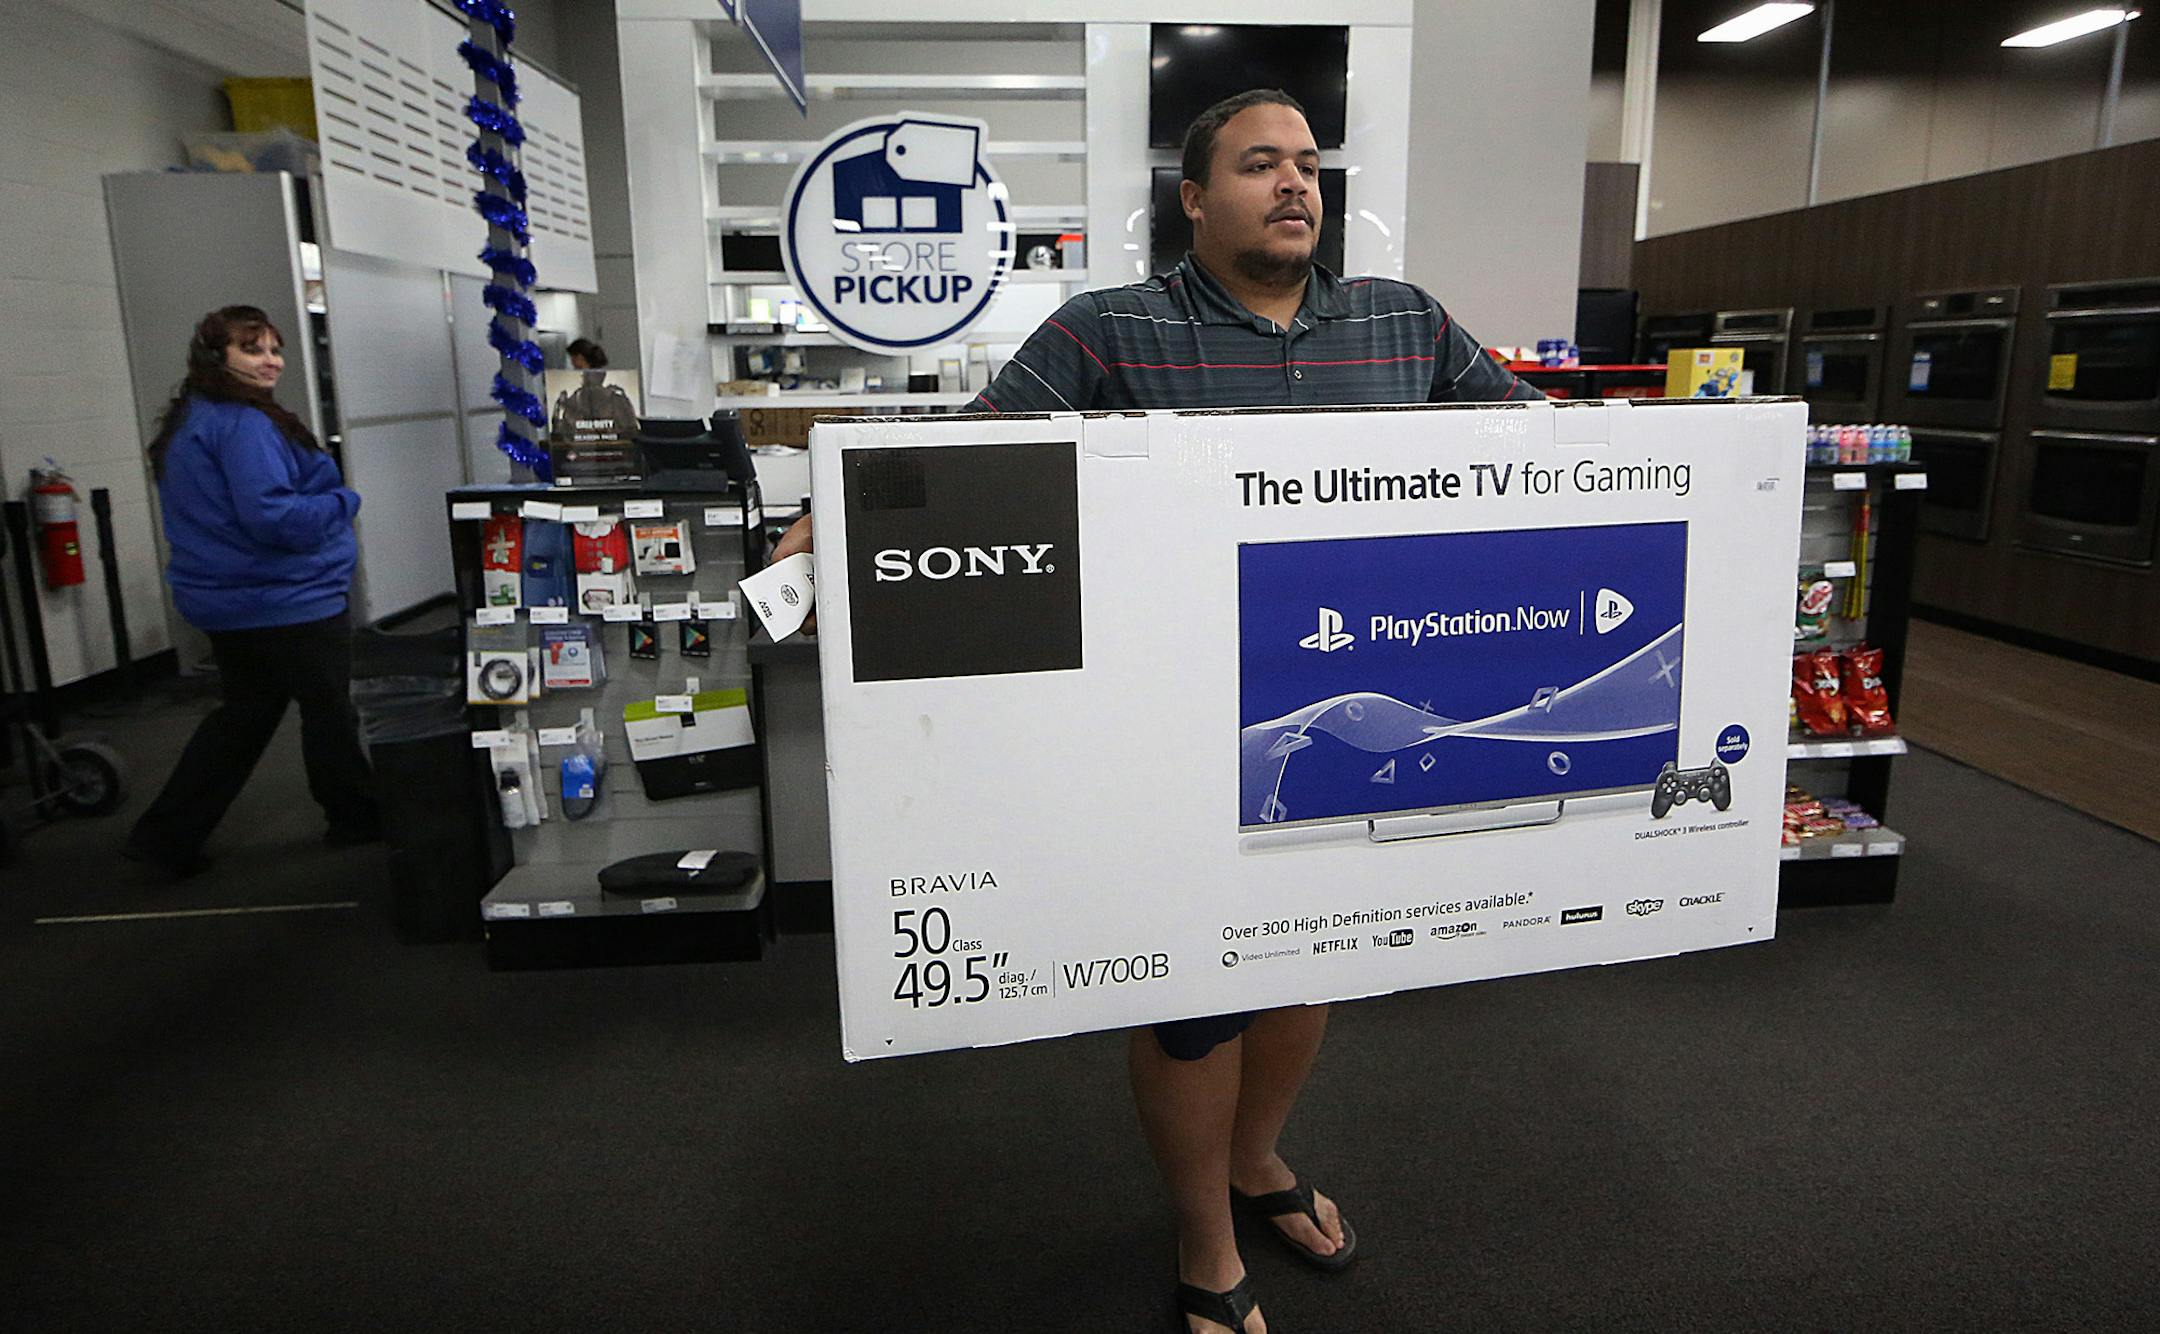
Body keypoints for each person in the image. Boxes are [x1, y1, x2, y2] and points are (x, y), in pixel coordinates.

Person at [772, 90, 1538, 1333]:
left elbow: (1539, 463)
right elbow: (975, 460)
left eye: (1306, 165)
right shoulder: (1107, 328)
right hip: (1175, 721)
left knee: (1312, 953)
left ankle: (1256, 1161)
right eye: (1258, 165)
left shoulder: (1405, 322)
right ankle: (1201, 1229)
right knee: (1195, 994)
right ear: (1193, 199)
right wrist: (840, 507)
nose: (1294, 184)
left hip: (1340, 702)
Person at [124, 306, 380, 878]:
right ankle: (356, 815)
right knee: (328, 710)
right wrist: (344, 501)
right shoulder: (242, 424)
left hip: (230, 598)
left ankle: (167, 836)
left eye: (273, 348)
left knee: (245, 717)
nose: (271, 362)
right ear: (220, 357)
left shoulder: (193, 416)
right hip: (286, 598)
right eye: (253, 349)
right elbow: (274, 518)